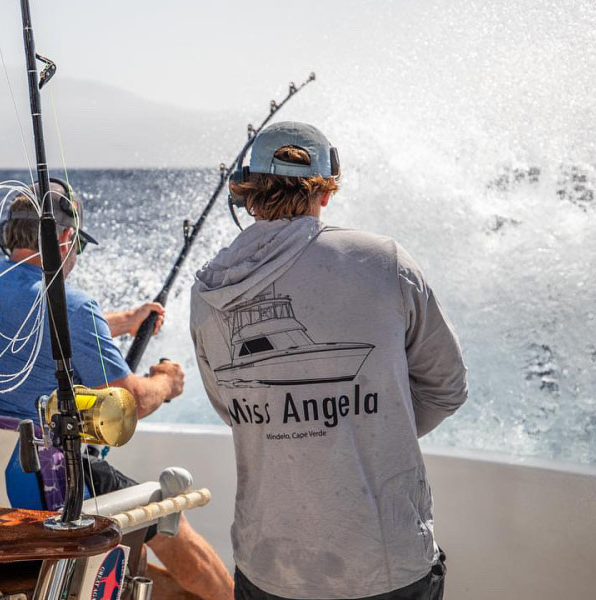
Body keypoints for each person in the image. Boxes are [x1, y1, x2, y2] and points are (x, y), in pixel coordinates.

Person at [190, 122, 468, 600]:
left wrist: (307, 421)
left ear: (247, 191)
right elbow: (448, 387)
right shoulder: (384, 262)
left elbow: (231, 410)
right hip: (385, 565)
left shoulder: (207, 288)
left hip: (268, 568)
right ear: (326, 189)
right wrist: (359, 428)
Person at [0, 179, 234, 599]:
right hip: (31, 497)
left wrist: (124, 321)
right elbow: (129, 403)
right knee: (168, 517)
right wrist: (166, 383)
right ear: (67, 238)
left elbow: (34, 324)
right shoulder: (73, 307)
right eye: (79, 248)